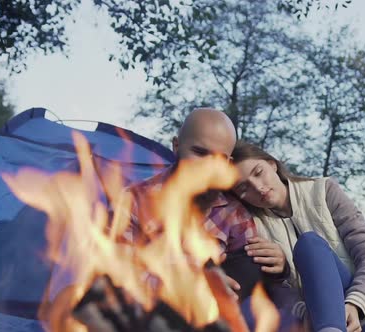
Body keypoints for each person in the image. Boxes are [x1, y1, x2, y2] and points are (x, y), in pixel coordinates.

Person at [230, 141, 365, 332]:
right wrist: (283, 272)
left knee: (310, 244)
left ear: (272, 164)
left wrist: (356, 304)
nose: (258, 187)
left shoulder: (323, 191)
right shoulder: (253, 227)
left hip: (363, 314)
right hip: (312, 321)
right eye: (243, 188)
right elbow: (274, 292)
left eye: (258, 172)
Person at [123, 108, 288, 300]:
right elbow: (115, 271)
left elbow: (255, 276)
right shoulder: (133, 201)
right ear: (177, 146)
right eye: (200, 152)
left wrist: (279, 266)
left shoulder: (234, 213)